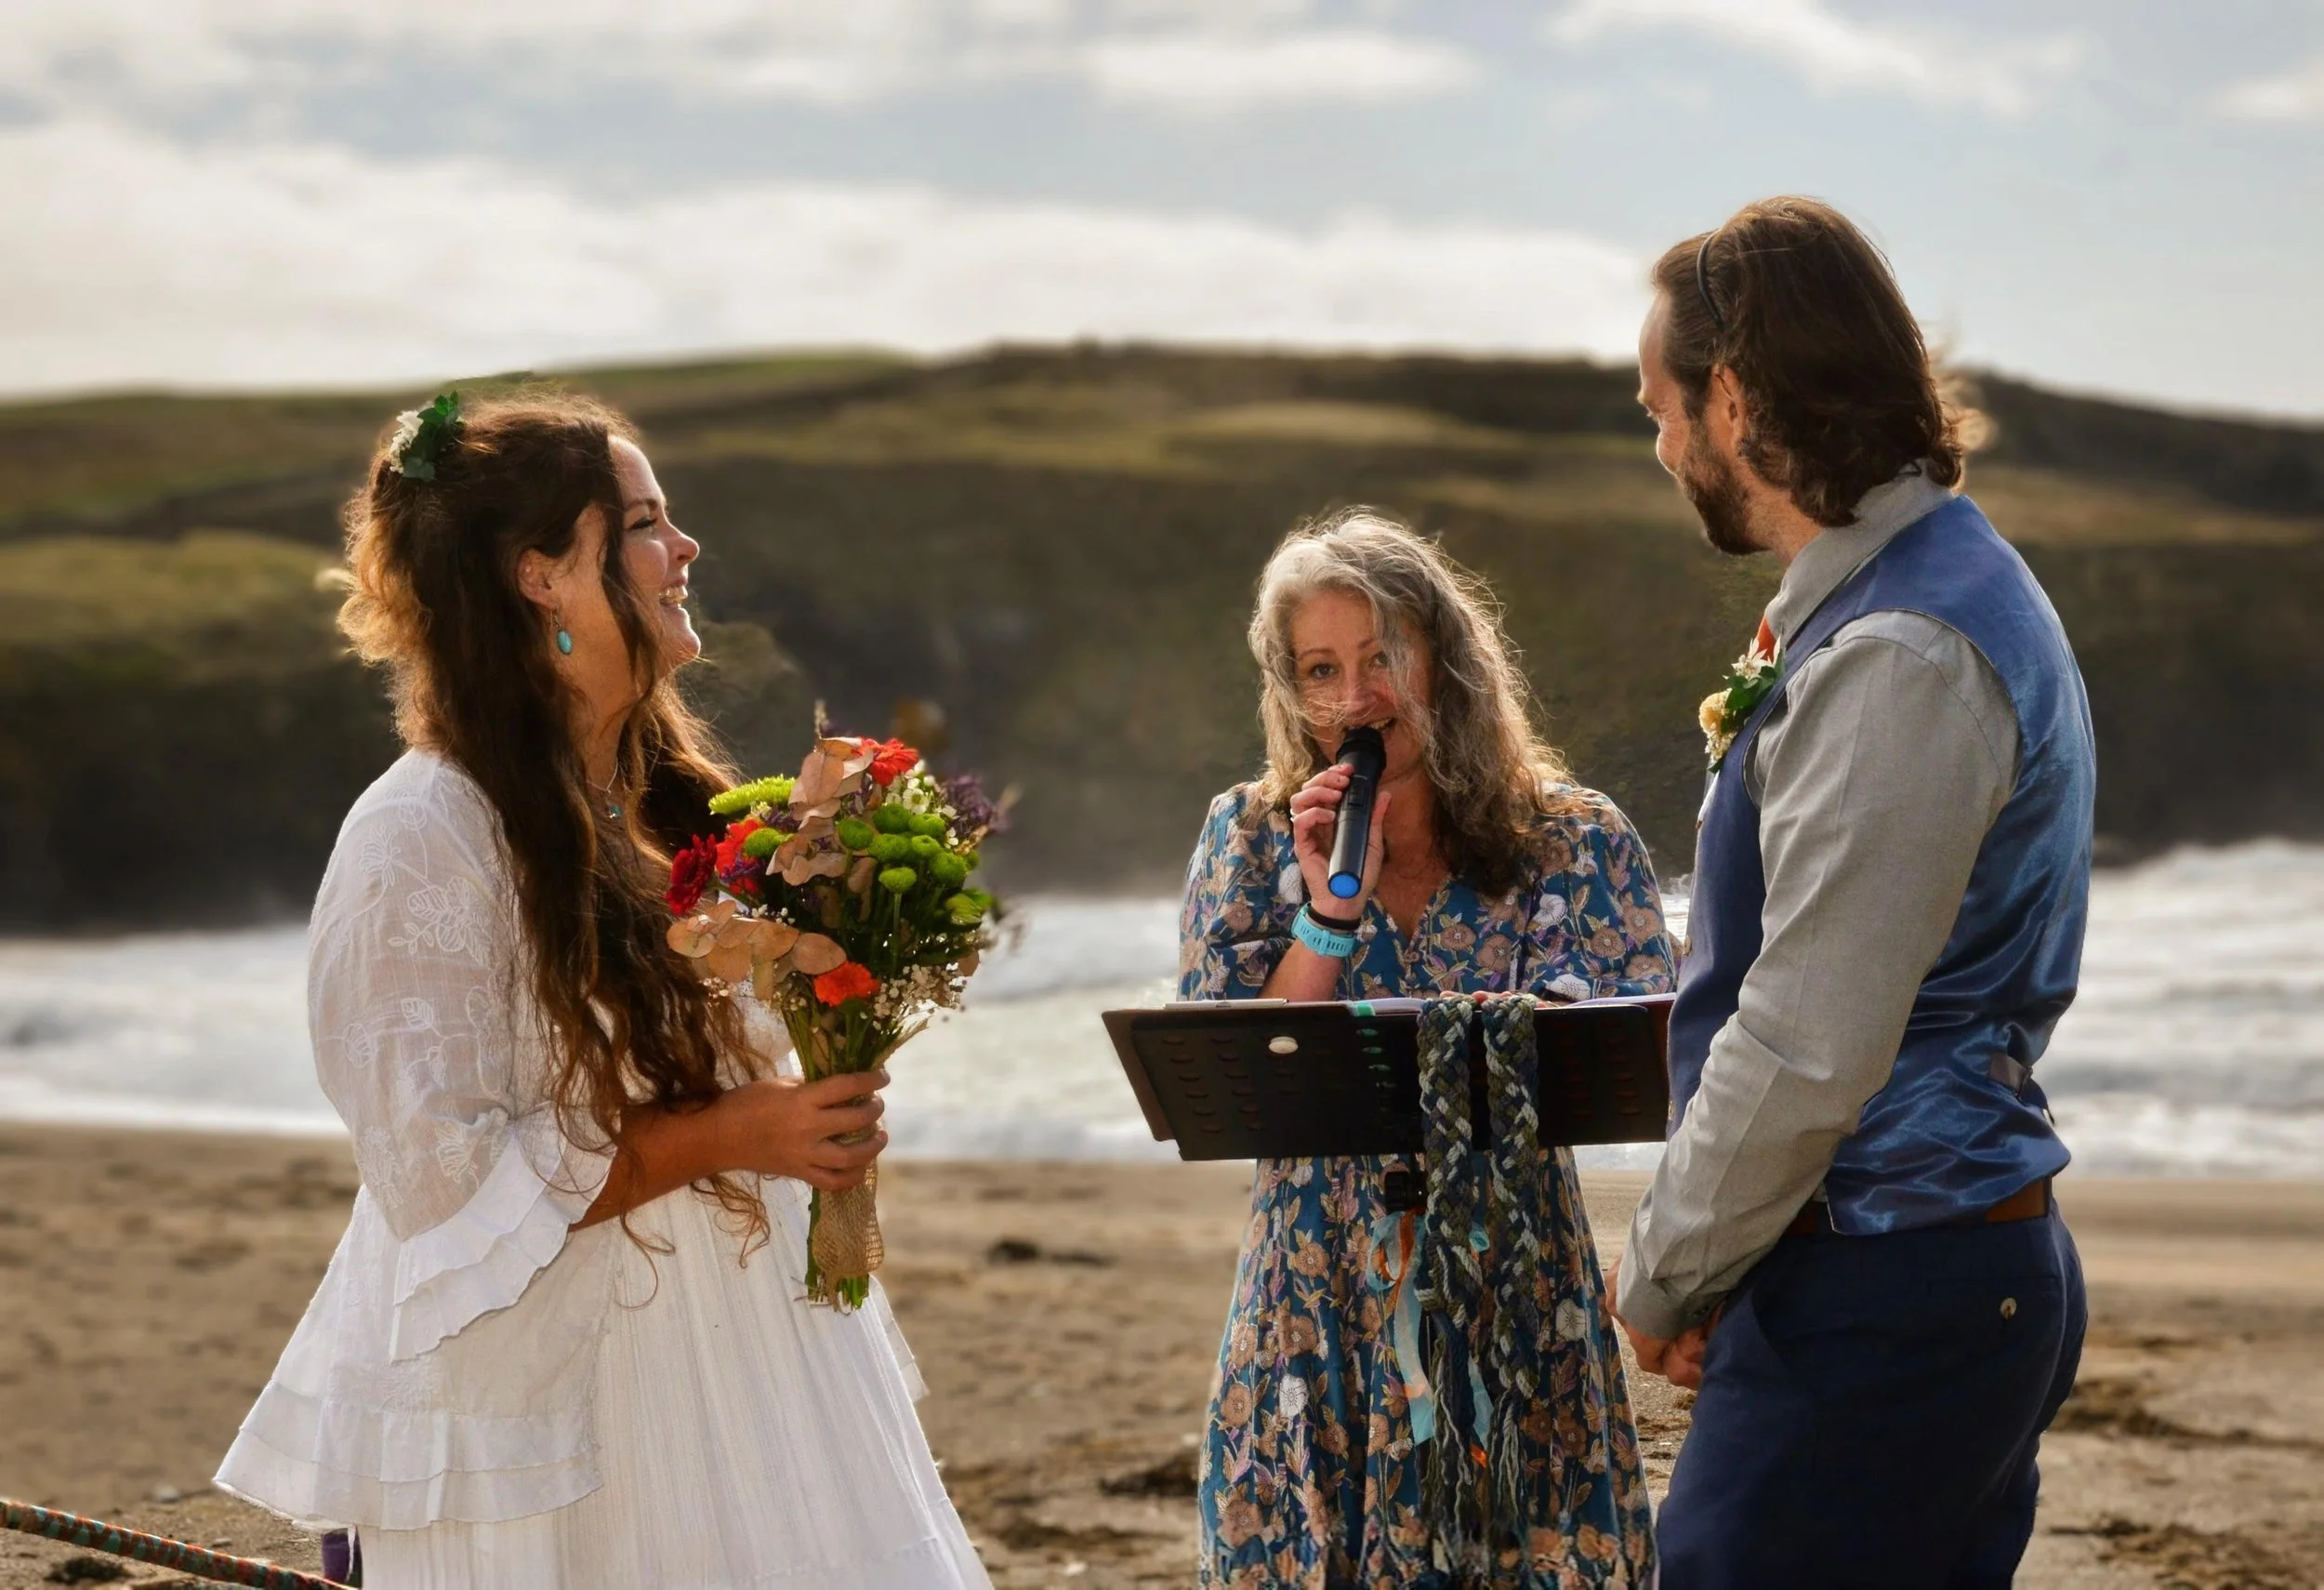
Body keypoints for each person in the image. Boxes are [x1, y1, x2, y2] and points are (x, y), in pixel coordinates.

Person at [213, 391, 990, 1589]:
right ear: (541, 577)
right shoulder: (424, 836)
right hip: (554, 1406)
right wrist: (736, 1131)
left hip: (747, 1350)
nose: (682, 551)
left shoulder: (674, 805)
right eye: (641, 522)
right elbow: (442, 1180)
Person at [1612, 196, 2093, 1588]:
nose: (1657, 444)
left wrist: (1666, 1272)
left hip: (1895, 1284)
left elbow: (1809, 1039)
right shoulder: (1911, 592)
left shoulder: (1902, 649)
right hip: (1896, 1266)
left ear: (1738, 399)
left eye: (1661, 407)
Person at [1181, 510, 1669, 1587]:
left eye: (1382, 657)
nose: (1355, 699)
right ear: (1288, 690)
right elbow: (1229, 1074)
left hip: (1518, 1296)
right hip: (1312, 1297)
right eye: (1320, 669)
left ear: (1447, 661)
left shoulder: (1574, 839)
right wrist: (1323, 920)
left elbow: (1651, 1056)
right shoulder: (1248, 837)